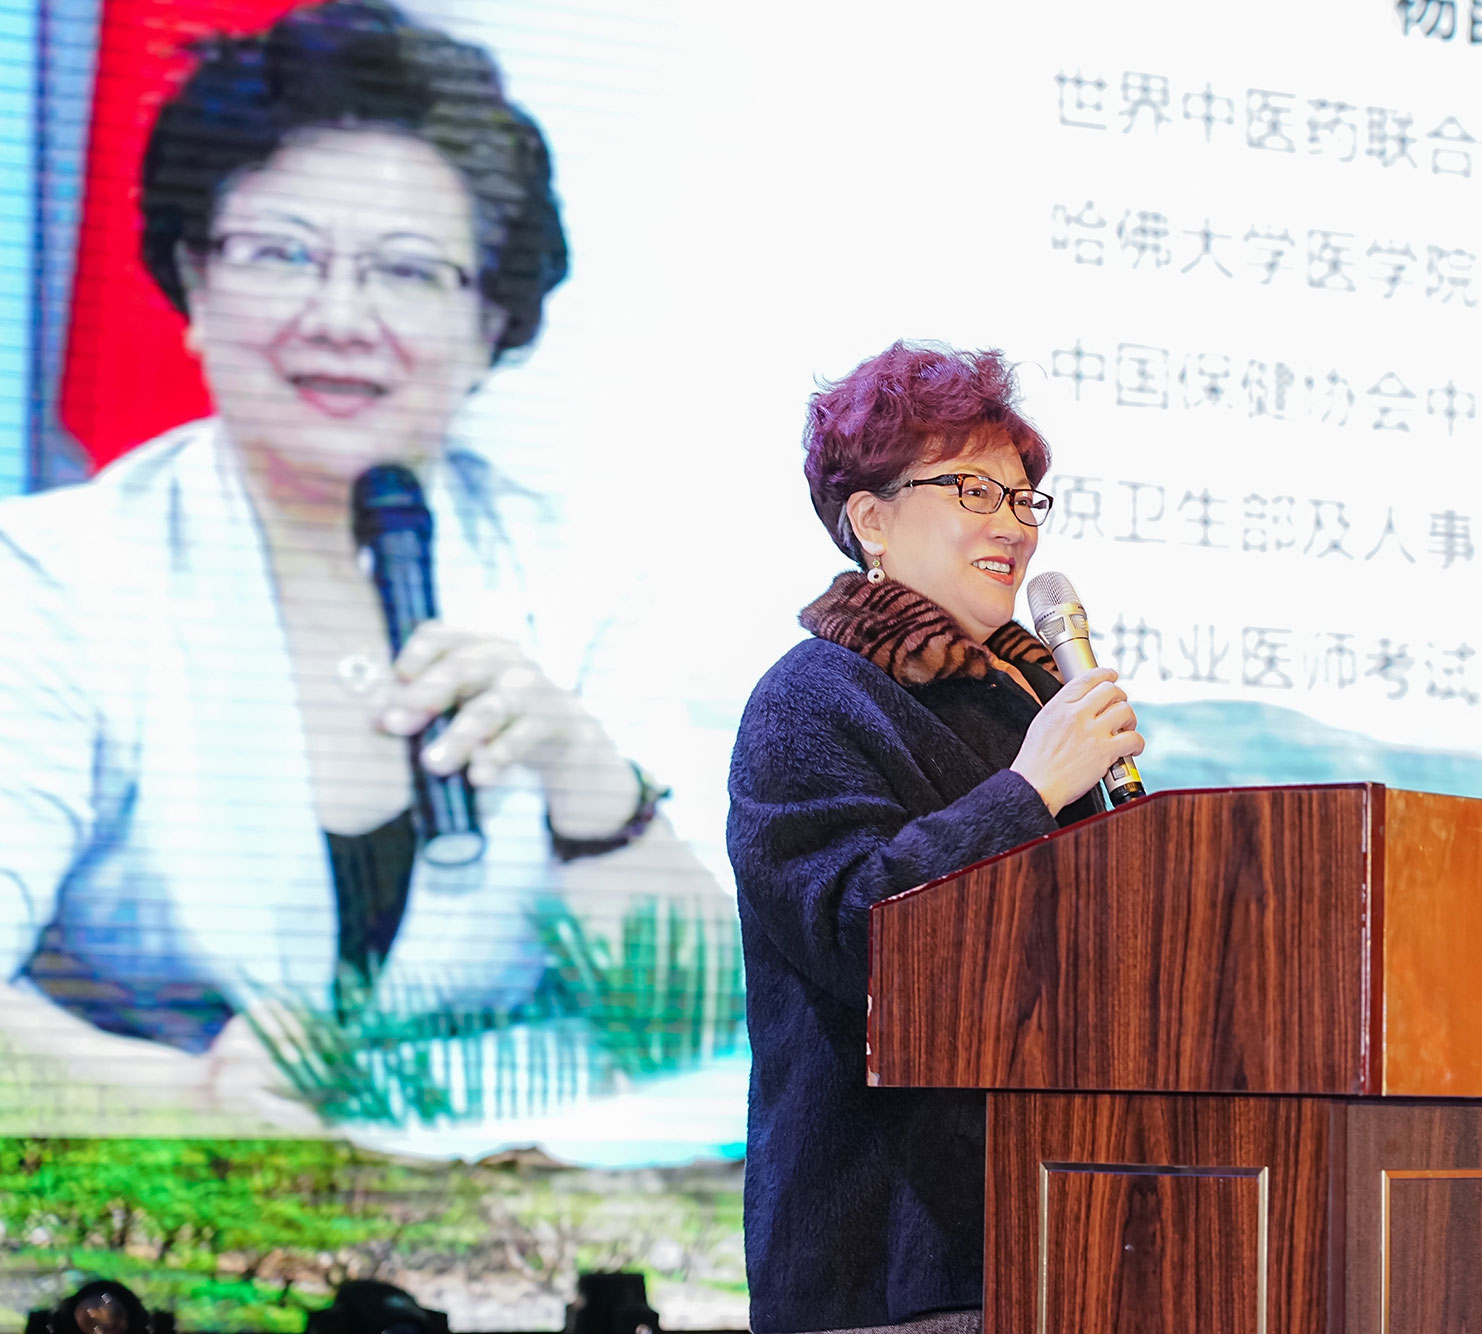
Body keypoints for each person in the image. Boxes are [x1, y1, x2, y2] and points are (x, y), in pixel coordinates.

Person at [0, 0, 727, 1131]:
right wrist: (183, 1099)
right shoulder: (56, 578)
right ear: (194, 281)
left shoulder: (582, 584)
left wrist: (585, 773)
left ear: (491, 322)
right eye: (281, 254)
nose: (339, 316)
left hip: (502, 1202)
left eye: (408, 271)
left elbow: (692, 1027)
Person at [727, 342, 1148, 1332]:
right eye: (973, 489)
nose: (1012, 525)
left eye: (1023, 498)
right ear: (871, 519)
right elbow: (858, 933)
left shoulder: (1027, 702)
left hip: (1062, 1242)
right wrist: (1029, 789)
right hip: (888, 1267)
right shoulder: (810, 700)